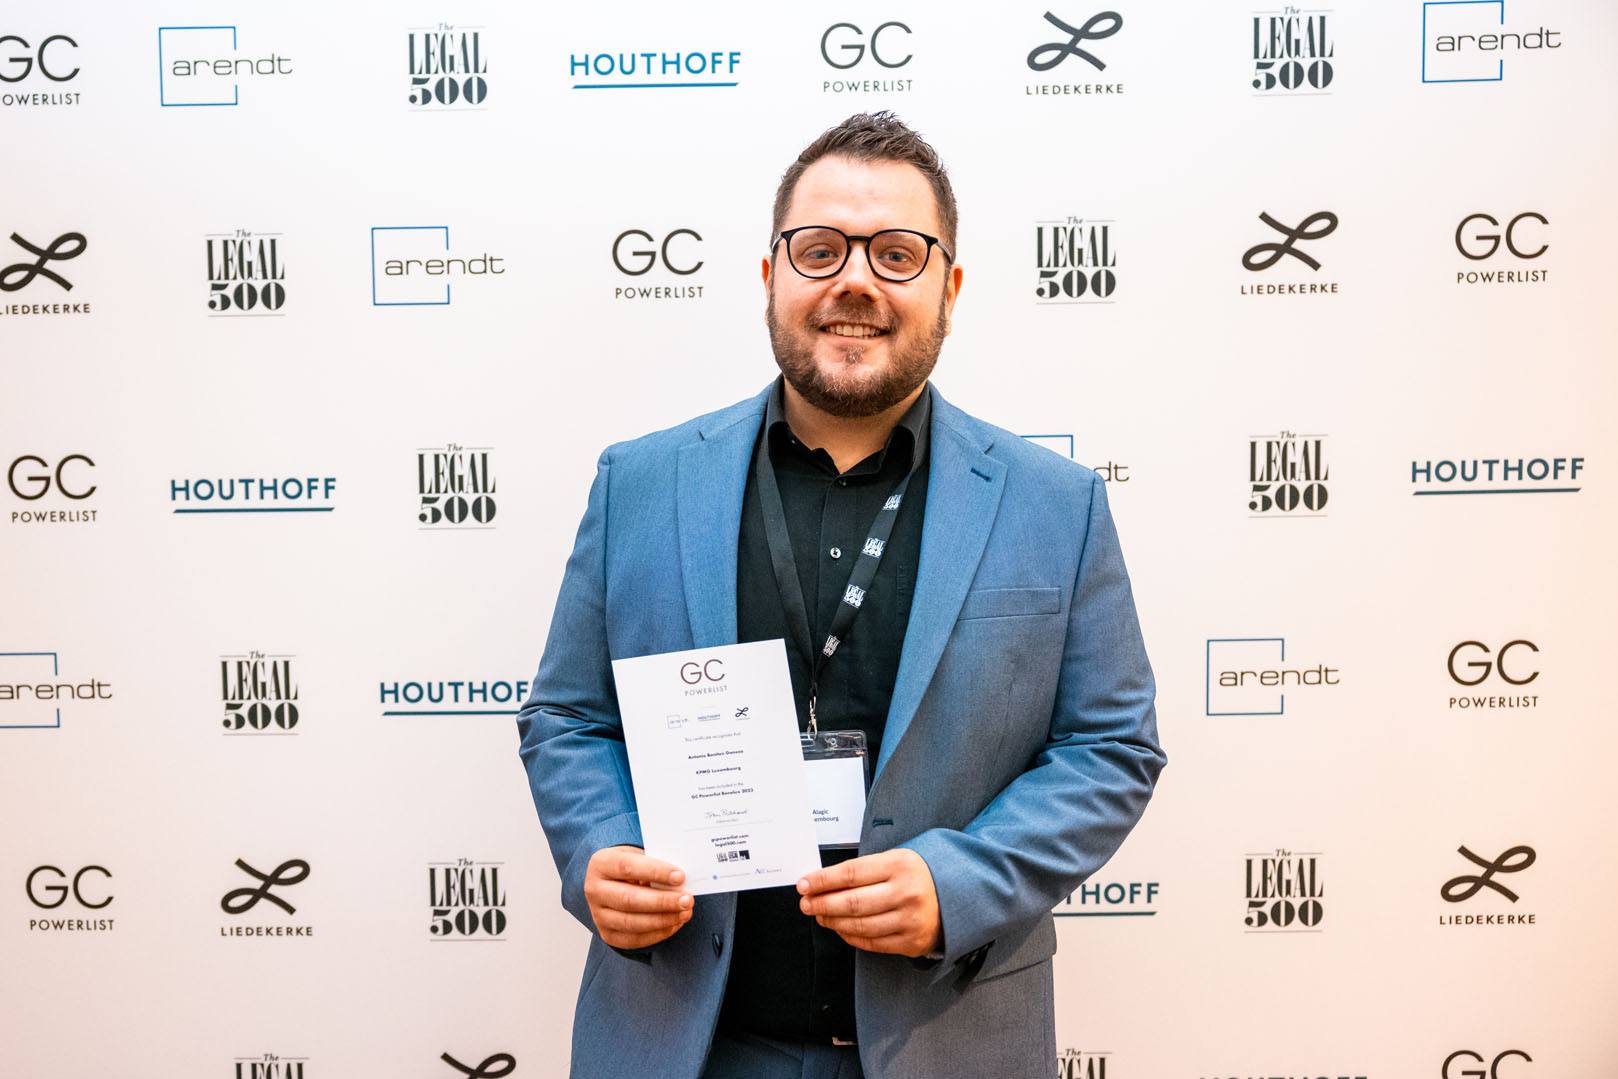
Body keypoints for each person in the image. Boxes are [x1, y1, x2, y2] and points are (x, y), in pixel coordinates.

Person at [516, 111, 1164, 1079]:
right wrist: (599, 848)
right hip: (686, 1042)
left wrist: (960, 884)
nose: (854, 280)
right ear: (769, 276)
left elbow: (1112, 746)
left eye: (896, 254)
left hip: (944, 1044)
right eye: (819, 250)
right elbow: (567, 716)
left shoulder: (1055, 506)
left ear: (949, 289)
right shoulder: (639, 485)